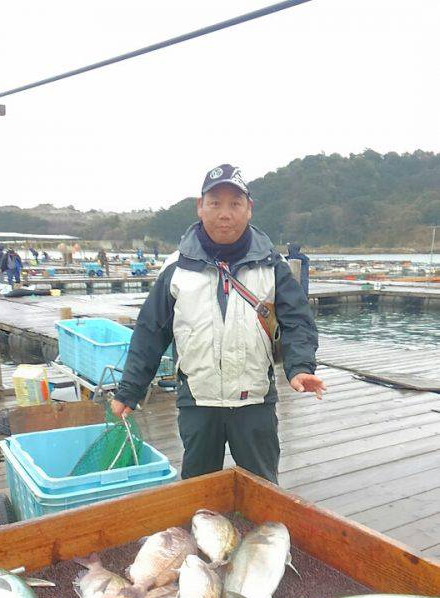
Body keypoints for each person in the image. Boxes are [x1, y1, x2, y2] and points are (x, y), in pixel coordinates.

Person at [112, 163, 325, 484]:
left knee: (263, 489)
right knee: (198, 490)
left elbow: (298, 322)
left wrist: (300, 367)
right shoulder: (175, 268)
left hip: (254, 400)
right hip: (198, 401)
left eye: (235, 204)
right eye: (215, 203)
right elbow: (150, 332)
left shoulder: (272, 266)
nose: (225, 213)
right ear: (200, 207)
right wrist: (130, 390)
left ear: (249, 209)